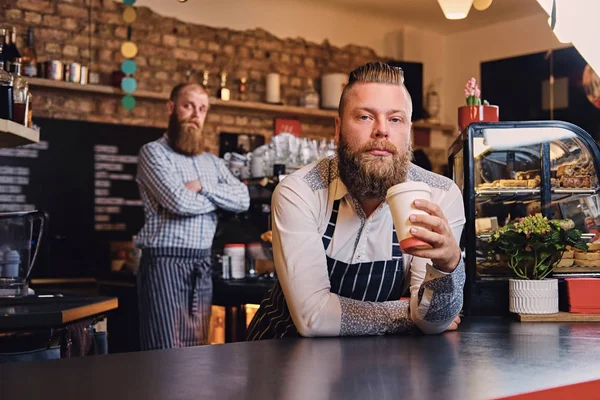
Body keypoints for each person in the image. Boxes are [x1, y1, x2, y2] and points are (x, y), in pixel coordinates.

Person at [247, 62, 465, 340]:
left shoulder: (439, 194)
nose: (381, 130)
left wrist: (449, 265)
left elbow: (433, 321)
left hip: (379, 369)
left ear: (408, 130)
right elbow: (312, 317)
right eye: (365, 117)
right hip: (281, 355)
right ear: (338, 129)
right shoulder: (300, 191)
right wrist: (407, 314)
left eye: (395, 119)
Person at [135, 83, 250, 350]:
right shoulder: (153, 153)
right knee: (163, 353)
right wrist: (219, 202)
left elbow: (243, 200)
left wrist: (202, 186)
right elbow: (179, 201)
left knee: (196, 354)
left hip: (201, 264)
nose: (195, 114)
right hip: (164, 264)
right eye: (188, 106)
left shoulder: (212, 162)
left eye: (202, 109)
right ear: (171, 108)